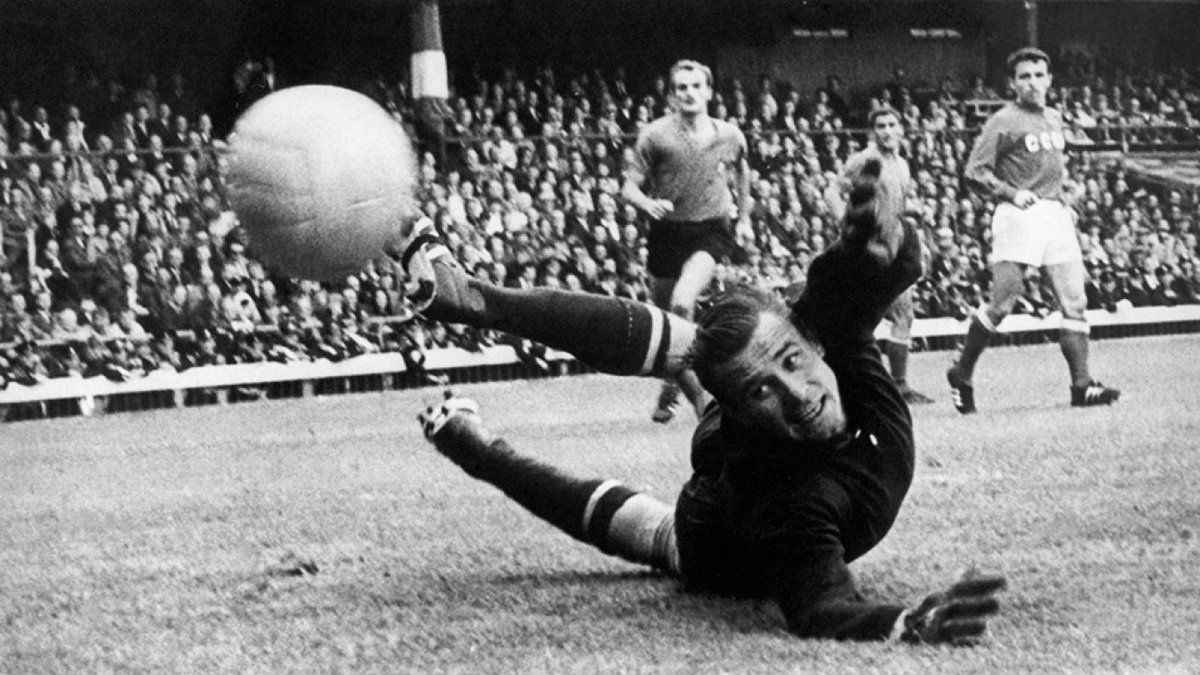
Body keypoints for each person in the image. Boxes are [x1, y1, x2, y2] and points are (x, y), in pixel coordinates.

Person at [397, 159, 1007, 643]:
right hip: (709, 531)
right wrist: (904, 622)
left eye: (795, 363)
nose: (799, 395)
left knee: (722, 343)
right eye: (764, 390)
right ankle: (478, 444)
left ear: (813, 344)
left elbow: (860, 286)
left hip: (740, 410)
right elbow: (821, 607)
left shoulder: (827, 340)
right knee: (651, 501)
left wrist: (881, 241)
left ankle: (469, 296)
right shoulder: (796, 504)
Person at [949, 47, 1119, 413]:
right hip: (1017, 214)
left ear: (1049, 79)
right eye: (1024, 76)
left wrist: (1064, 189)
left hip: (1054, 213)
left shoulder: (1054, 117)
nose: (1032, 82)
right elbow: (974, 171)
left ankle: (1082, 386)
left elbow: (1047, 163)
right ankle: (962, 373)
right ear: (1012, 83)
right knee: (1002, 304)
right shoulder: (1002, 120)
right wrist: (1011, 192)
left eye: (1038, 75)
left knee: (1075, 301)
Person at [622, 59, 751, 424]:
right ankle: (676, 381)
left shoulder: (729, 134)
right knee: (667, 323)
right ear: (672, 95)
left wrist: (744, 217)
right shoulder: (655, 136)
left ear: (709, 92)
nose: (689, 93)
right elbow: (628, 187)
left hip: (711, 230)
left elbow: (743, 170)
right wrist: (647, 203)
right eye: (682, 87)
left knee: (682, 302)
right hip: (667, 233)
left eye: (696, 86)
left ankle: (700, 405)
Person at [826, 106, 933, 404]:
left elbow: (896, 207)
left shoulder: (901, 164)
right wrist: (848, 226)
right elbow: (832, 193)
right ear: (873, 132)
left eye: (892, 124)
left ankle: (893, 386)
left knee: (899, 314)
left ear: (901, 129)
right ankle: (889, 386)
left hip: (893, 244)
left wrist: (915, 220)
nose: (887, 131)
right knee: (885, 315)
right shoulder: (865, 160)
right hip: (868, 247)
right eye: (881, 126)